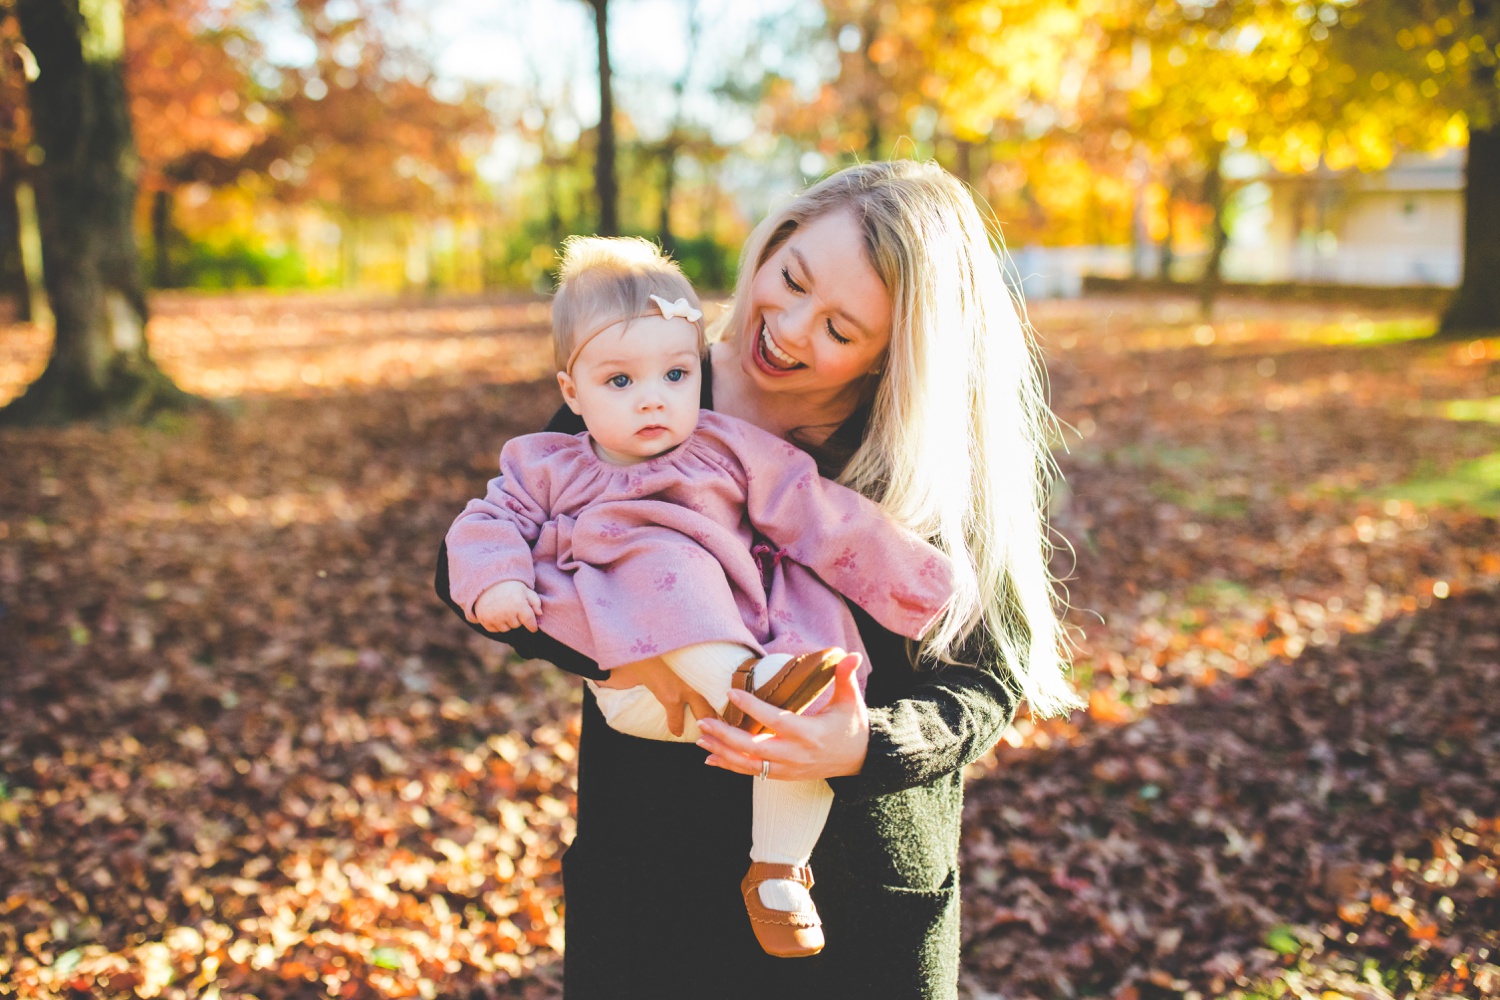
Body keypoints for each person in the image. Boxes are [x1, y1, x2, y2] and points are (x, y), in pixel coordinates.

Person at [435, 160, 1081, 999]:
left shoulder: (929, 466)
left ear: (898, 355)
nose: (790, 329)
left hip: (853, 908)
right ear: (773, 241)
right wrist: (623, 651)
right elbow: (490, 546)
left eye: (842, 331)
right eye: (793, 280)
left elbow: (991, 677)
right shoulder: (650, 375)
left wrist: (866, 744)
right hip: (651, 888)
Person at [444, 236, 956, 957]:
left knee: (802, 723)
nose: (652, 397)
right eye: (619, 383)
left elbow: (816, 510)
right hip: (640, 686)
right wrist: (498, 580)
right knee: (666, 558)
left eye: (677, 374)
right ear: (572, 392)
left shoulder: (726, 446)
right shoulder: (551, 462)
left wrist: (925, 587)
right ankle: (750, 686)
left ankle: (777, 872)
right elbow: (485, 522)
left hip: (743, 706)